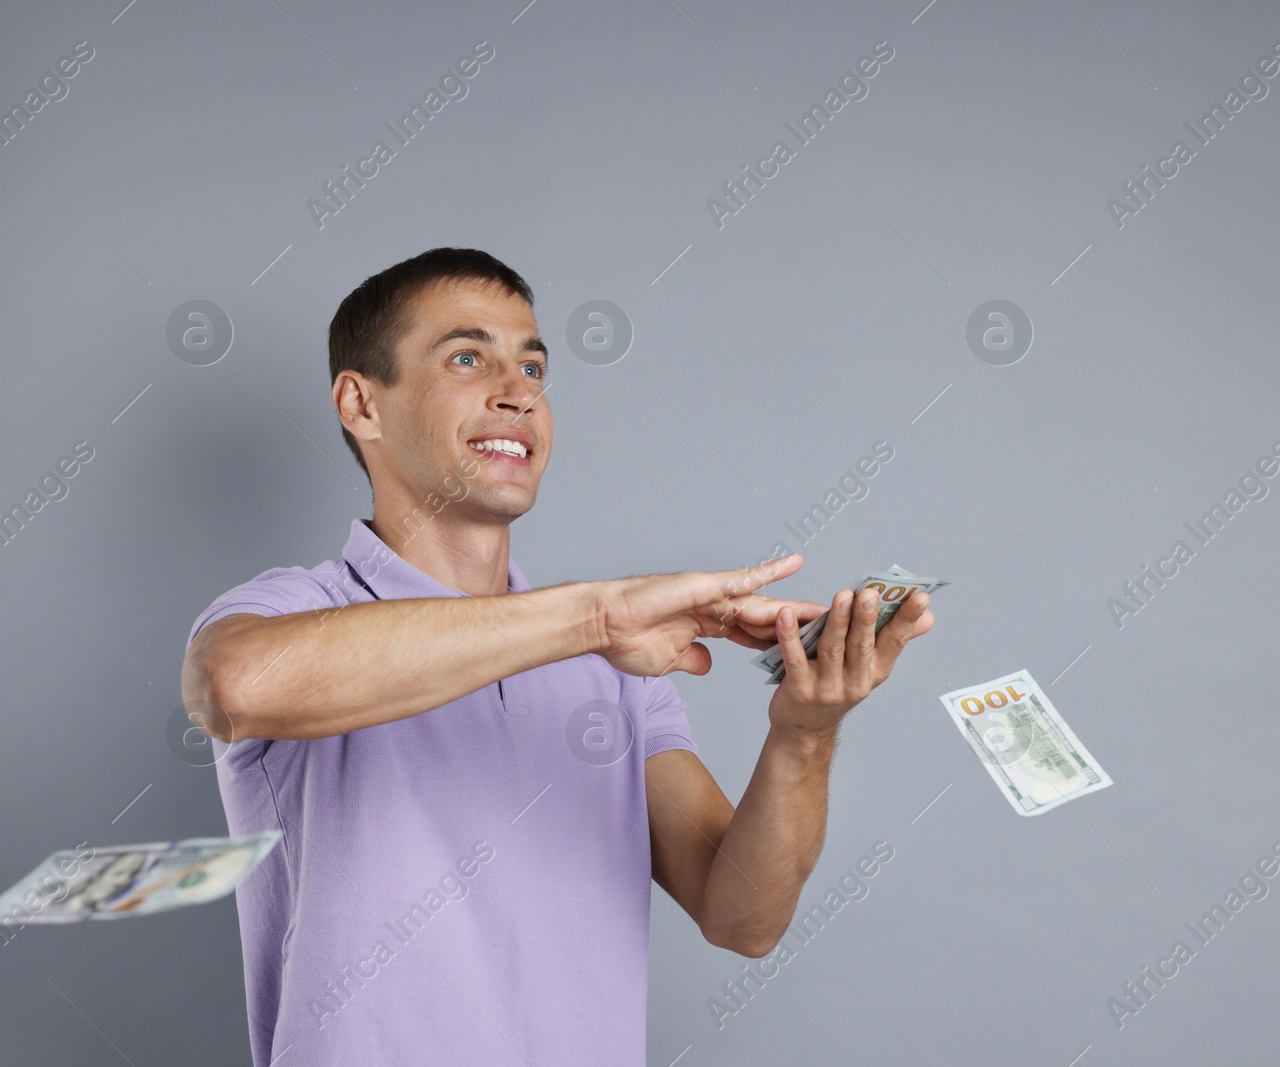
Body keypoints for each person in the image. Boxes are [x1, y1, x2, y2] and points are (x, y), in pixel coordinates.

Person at [179, 247, 935, 1066]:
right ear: (362, 403)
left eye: (533, 364)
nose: (519, 392)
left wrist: (806, 731)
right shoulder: (296, 607)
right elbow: (236, 683)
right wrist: (597, 616)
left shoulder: (616, 664)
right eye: (467, 357)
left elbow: (743, 917)